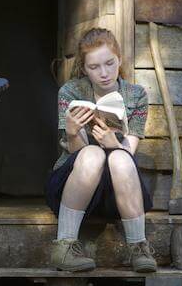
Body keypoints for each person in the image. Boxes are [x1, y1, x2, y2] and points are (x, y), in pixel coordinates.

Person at [45, 28, 157, 273]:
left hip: (118, 189)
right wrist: (73, 133)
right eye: (94, 67)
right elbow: (78, 155)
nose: (104, 73)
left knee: (118, 157)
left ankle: (138, 247)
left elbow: (131, 149)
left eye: (109, 63)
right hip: (75, 187)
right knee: (92, 154)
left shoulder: (136, 95)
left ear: (119, 59)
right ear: (84, 69)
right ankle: (63, 246)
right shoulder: (71, 92)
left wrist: (113, 144)